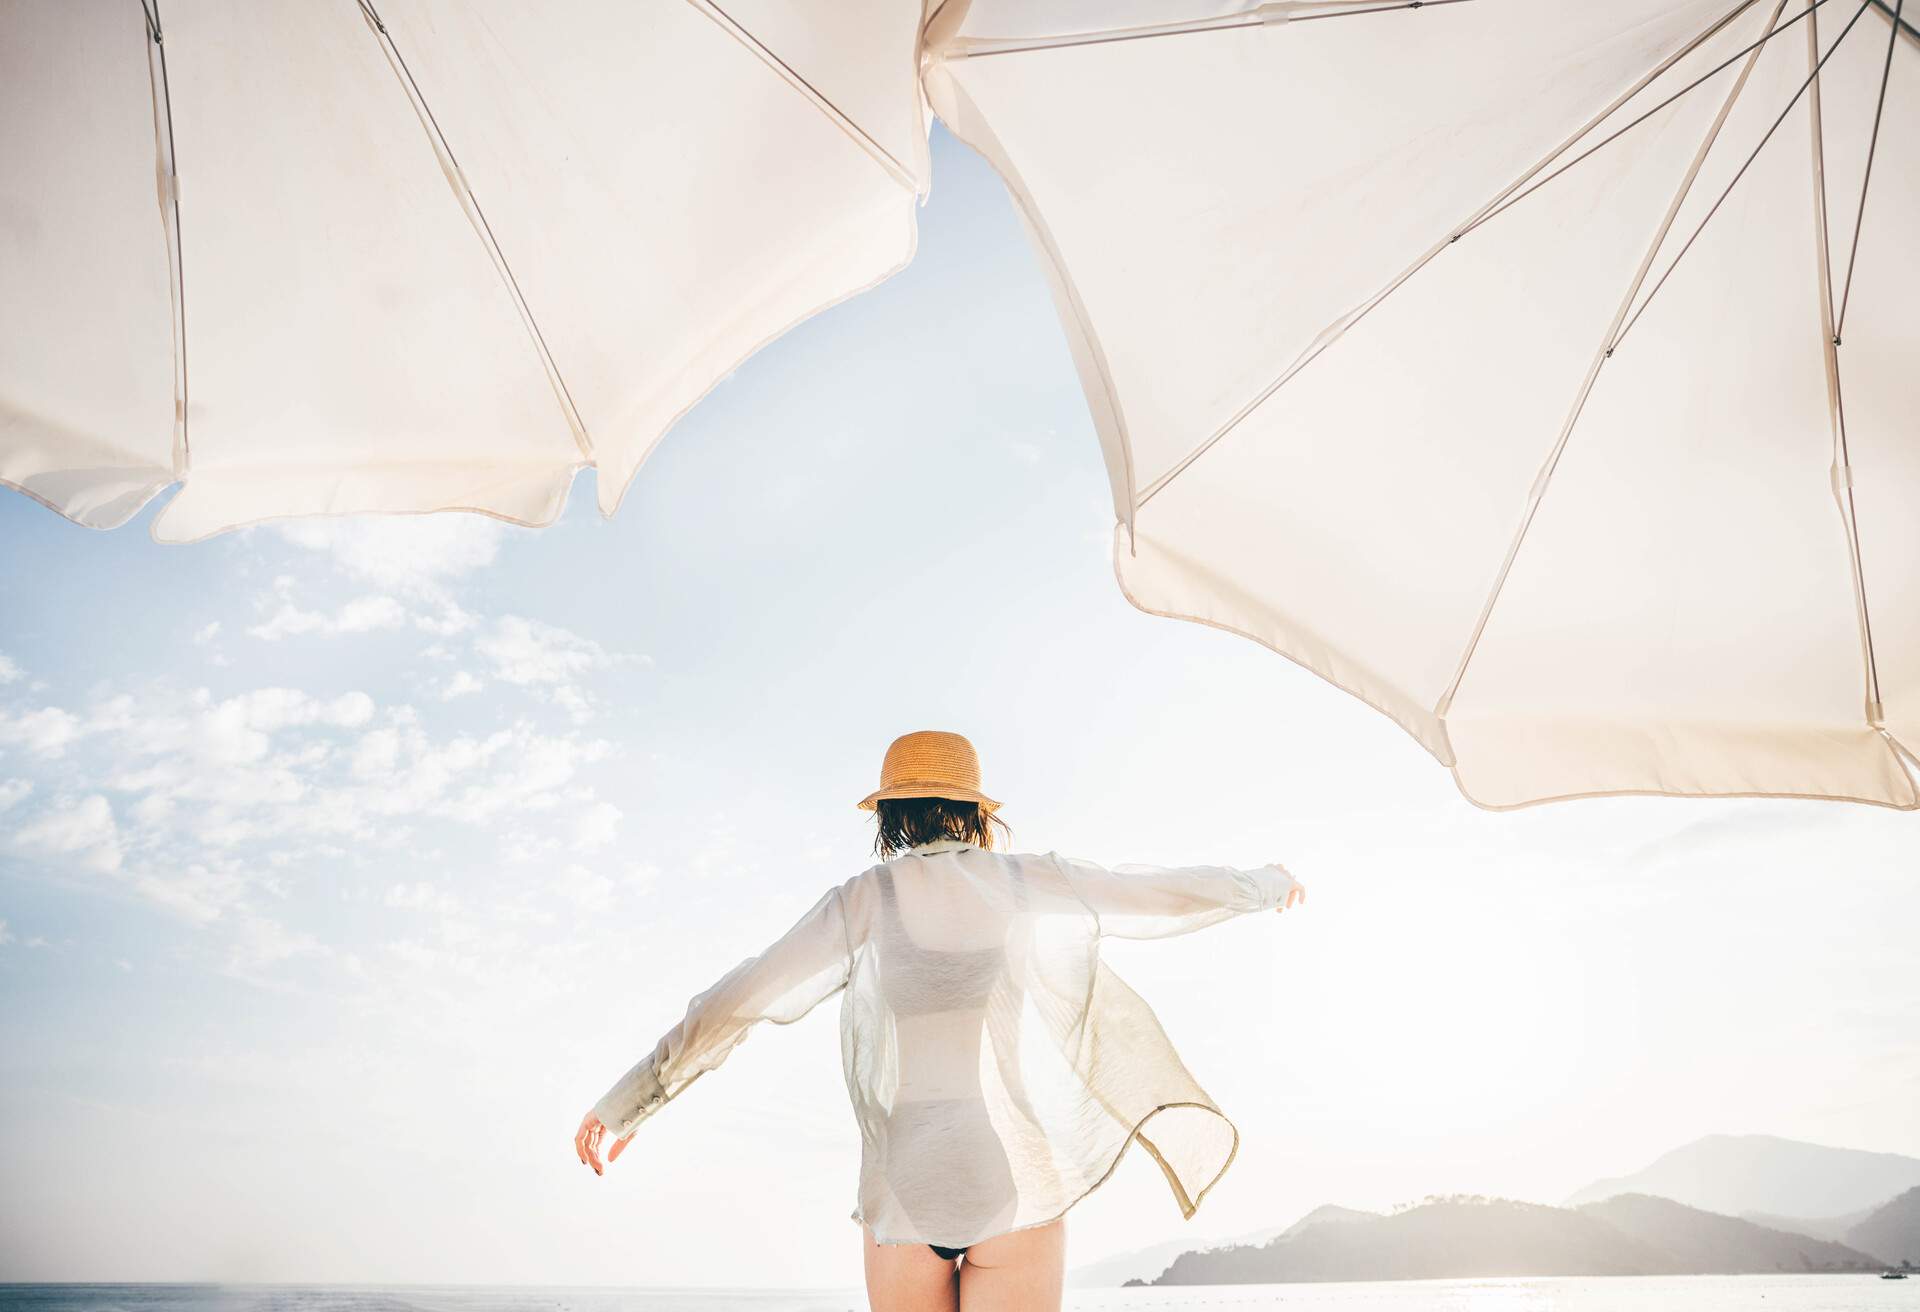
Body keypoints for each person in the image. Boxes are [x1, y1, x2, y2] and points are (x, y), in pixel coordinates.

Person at [574, 729, 1305, 1311]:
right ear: (978, 810)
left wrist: (633, 1101)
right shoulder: (1020, 880)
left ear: (889, 815)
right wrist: (1266, 886)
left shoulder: (862, 900)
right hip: (1003, 1170)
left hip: (904, 1187)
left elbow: (733, 1001)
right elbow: (1155, 891)